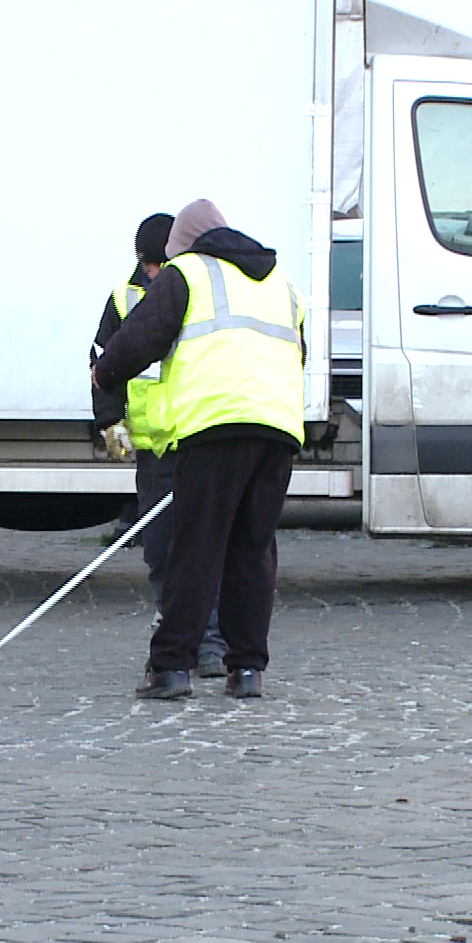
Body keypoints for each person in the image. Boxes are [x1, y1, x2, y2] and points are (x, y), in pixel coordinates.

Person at [92, 199, 305, 700]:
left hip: (215, 425)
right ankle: (247, 670)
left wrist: (105, 375)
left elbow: (140, 337)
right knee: (253, 549)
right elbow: (300, 352)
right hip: (276, 425)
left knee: (197, 547)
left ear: (182, 244)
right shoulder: (281, 282)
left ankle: (170, 668)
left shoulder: (187, 272)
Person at [91, 212, 228, 679]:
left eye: (162, 264)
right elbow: (102, 363)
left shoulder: (195, 291)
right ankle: (179, 632)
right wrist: (110, 422)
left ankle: (209, 644)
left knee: (205, 546)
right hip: (155, 448)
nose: (156, 274)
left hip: (198, 437)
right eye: (150, 266)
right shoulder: (125, 299)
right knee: (163, 550)